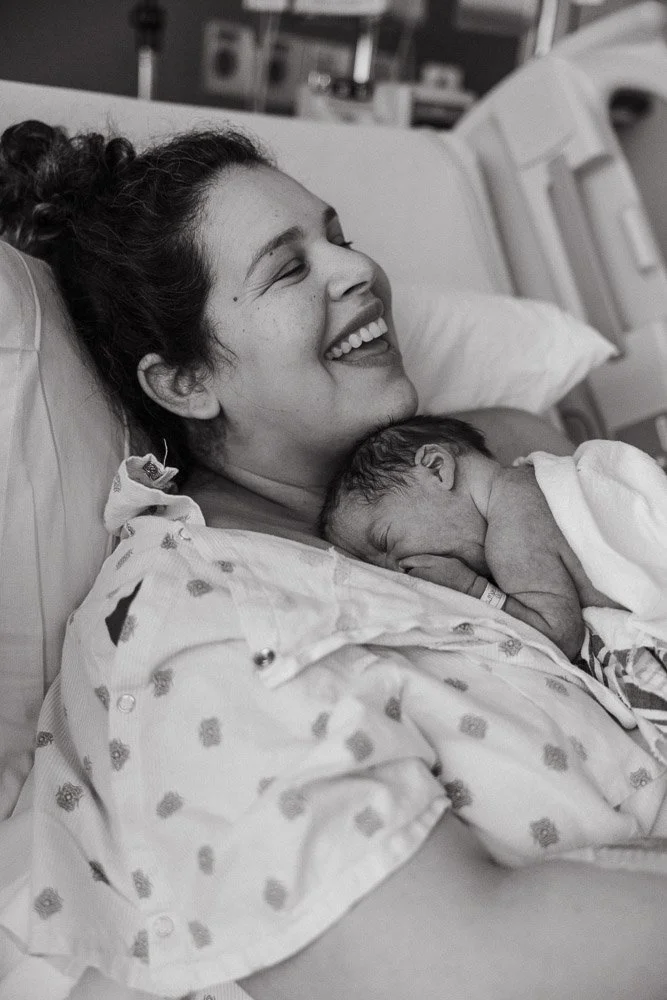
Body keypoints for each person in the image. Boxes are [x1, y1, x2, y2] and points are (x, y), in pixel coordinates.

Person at [3, 119, 667, 1000]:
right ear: (186, 383)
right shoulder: (210, 623)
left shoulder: (435, 496)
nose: (357, 271)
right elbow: (452, 970)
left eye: (339, 238)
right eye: (288, 268)